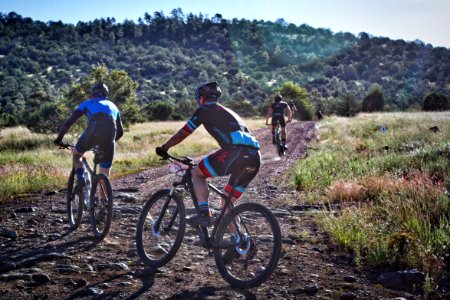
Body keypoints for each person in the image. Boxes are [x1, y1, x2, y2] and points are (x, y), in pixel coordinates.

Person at [156, 81, 261, 262]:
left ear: (202, 99)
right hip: (254, 157)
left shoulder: (204, 110)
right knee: (226, 201)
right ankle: (241, 242)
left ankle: (204, 214)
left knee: (197, 172)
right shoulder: (230, 112)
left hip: (235, 153)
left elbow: (184, 132)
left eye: (198, 100)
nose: (198, 103)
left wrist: (165, 148)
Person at [54, 83, 124, 189]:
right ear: (106, 94)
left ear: (92, 94)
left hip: (92, 132)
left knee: (77, 155)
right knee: (104, 172)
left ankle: (81, 179)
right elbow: (120, 132)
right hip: (109, 137)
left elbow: (68, 124)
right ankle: (104, 202)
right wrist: (109, 141)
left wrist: (59, 140)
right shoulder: (114, 106)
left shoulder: (87, 103)